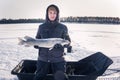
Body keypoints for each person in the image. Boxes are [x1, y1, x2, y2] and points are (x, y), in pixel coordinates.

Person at [34, 4, 72, 80]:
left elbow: (68, 42)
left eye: (54, 13)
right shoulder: (41, 27)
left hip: (58, 60)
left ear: (57, 14)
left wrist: (63, 46)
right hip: (43, 59)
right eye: (50, 13)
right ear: (47, 14)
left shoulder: (63, 27)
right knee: (39, 78)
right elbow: (37, 39)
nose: (52, 15)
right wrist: (36, 45)